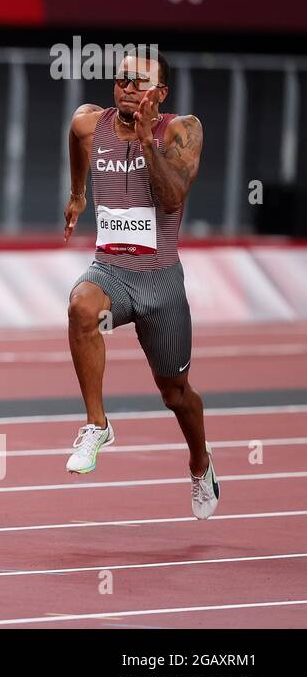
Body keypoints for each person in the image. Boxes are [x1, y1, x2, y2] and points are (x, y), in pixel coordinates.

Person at [63, 52, 217, 518]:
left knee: (176, 394)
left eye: (139, 81)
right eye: (121, 79)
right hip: (111, 271)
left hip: (161, 283)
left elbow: (171, 197)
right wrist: (77, 194)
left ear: (161, 94)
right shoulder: (91, 123)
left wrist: (148, 140)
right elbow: (75, 139)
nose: (127, 87)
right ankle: (96, 425)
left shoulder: (180, 130)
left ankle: (200, 461)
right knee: (81, 307)